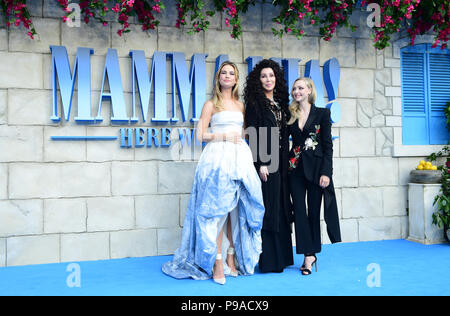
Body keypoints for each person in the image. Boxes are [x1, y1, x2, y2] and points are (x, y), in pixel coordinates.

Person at [162, 61, 265, 285]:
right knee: (217, 211)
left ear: (236, 79)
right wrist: (224, 136)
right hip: (216, 158)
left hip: (239, 157)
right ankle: (217, 261)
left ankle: (231, 257)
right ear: (218, 78)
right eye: (224, 73)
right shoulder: (211, 104)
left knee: (234, 209)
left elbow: (245, 133)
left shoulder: (240, 105)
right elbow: (200, 135)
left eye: (232, 73)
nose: (227, 76)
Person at [287, 77, 341, 275]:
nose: (296, 91)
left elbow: (328, 145)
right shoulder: (289, 114)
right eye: (294, 89)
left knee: (313, 213)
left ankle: (311, 254)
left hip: (317, 170)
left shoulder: (322, 114)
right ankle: (307, 255)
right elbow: (284, 142)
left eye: (300, 88)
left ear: (310, 90)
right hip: (295, 170)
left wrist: (327, 172)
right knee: (299, 211)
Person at [244, 59, 294, 273]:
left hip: (283, 162)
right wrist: (261, 162)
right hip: (267, 162)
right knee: (269, 208)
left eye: (271, 75)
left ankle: (283, 257)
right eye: (264, 76)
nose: (268, 79)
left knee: (283, 205)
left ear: (277, 79)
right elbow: (252, 134)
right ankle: (270, 261)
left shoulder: (281, 104)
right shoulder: (255, 104)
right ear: (258, 80)